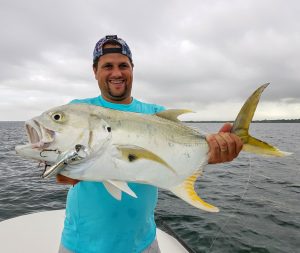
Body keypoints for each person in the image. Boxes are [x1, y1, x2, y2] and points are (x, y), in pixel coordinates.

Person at [57, 35, 243, 253]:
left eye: (123, 66)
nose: (116, 73)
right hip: (80, 244)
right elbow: (62, 175)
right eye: (108, 66)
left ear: (132, 69)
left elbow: (182, 156)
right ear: (95, 71)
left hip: (142, 243)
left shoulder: (155, 114)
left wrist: (214, 152)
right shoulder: (79, 110)